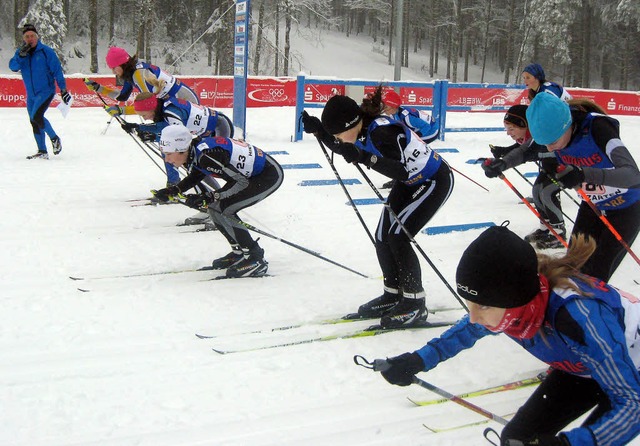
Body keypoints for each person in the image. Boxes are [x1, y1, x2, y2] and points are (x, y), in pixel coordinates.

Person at [374, 224, 640, 446]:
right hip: (583, 368)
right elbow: (467, 330)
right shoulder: (513, 306)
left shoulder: (580, 316)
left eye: (483, 306)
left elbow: (633, 405)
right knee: (517, 439)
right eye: (471, 305)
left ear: (516, 298)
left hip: (630, 371)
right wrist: (417, 360)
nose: (475, 316)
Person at [301, 86, 454, 328]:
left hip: (432, 180)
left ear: (351, 125)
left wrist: (363, 157)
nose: (338, 140)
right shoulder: (358, 129)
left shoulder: (382, 131)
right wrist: (319, 130)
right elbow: (345, 147)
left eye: (339, 134)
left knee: (398, 237)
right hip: (410, 182)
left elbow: (398, 169)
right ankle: (393, 294)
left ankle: (415, 304)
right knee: (383, 236)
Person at [526, 92, 640, 282]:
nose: (550, 149)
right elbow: (525, 151)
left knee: (597, 276)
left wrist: (583, 173)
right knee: (570, 268)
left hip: (626, 207)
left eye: (553, 142)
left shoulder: (598, 128)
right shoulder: (553, 133)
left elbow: (633, 176)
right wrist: (502, 163)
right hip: (593, 205)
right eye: (544, 144)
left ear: (568, 126)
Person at [150, 125, 284, 278]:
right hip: (247, 176)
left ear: (181, 149)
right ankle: (239, 252)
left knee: (226, 209)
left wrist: (211, 196)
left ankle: (255, 258)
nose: (166, 159)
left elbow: (241, 183)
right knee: (215, 207)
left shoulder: (206, 156)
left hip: (267, 176)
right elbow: (197, 174)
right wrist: (174, 190)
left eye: (168, 154)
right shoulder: (196, 152)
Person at [481, 104, 566, 249]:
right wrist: (503, 157)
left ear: (525, 125)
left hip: (565, 165)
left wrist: (505, 160)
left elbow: (529, 152)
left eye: (512, 128)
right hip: (549, 166)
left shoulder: (542, 132)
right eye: (507, 128)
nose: (508, 133)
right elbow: (524, 149)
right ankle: (546, 228)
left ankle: (559, 232)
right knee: (537, 191)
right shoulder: (531, 135)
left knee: (547, 191)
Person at [9, 23, 71, 159]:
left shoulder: (46, 51)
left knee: (36, 117)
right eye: (27, 37)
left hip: (46, 91)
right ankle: (42, 151)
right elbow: (13, 67)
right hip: (31, 95)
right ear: (24, 39)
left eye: (32, 36)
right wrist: (21, 55)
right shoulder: (21, 52)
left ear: (37, 37)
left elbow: (57, 70)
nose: (30, 39)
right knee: (33, 121)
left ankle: (55, 138)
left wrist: (63, 89)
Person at [84, 46, 199, 105]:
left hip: (187, 102)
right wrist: (99, 88)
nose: (113, 72)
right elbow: (122, 96)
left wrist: (122, 111)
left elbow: (149, 105)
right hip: (180, 103)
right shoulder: (132, 72)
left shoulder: (138, 74)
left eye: (114, 68)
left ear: (122, 64)